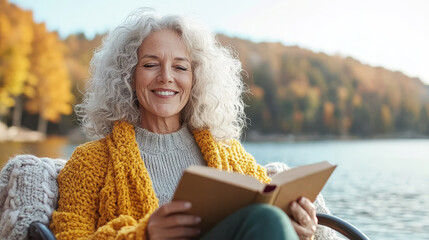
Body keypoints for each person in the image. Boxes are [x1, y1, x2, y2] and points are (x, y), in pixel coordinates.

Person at [50, 9, 318, 240]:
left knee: (268, 216)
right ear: (128, 75)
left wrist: (295, 226)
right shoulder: (90, 161)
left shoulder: (229, 153)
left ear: (196, 79)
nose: (166, 77)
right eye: (151, 64)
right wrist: (145, 234)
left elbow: (267, 217)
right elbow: (70, 236)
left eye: (180, 67)